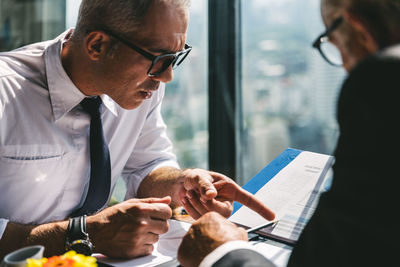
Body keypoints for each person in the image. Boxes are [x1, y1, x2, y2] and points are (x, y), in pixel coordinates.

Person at [0, 0, 275, 260]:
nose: (167, 76)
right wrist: (85, 235)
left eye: (174, 58)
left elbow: (149, 164)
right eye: (159, 59)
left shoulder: (144, 85)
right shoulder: (5, 93)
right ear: (97, 45)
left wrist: (182, 185)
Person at [177, 0, 400, 266]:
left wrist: (224, 251)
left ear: (360, 28)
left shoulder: (383, 80)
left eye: (334, 43)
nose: (344, 66)